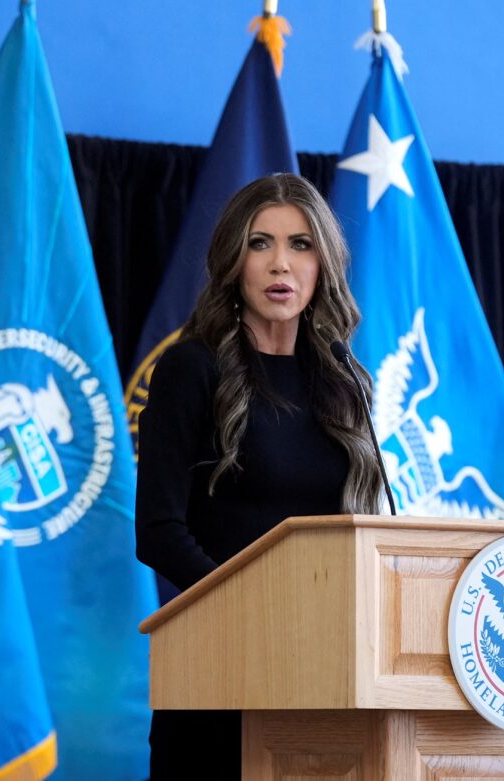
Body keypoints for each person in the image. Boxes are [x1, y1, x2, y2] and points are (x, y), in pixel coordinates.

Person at [135, 173, 385, 779]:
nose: (281, 264)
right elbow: (159, 530)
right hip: (217, 665)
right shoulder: (191, 368)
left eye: (301, 245)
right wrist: (255, 612)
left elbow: (358, 523)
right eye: (260, 243)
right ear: (233, 261)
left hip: (321, 667)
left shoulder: (342, 379)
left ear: (323, 263)